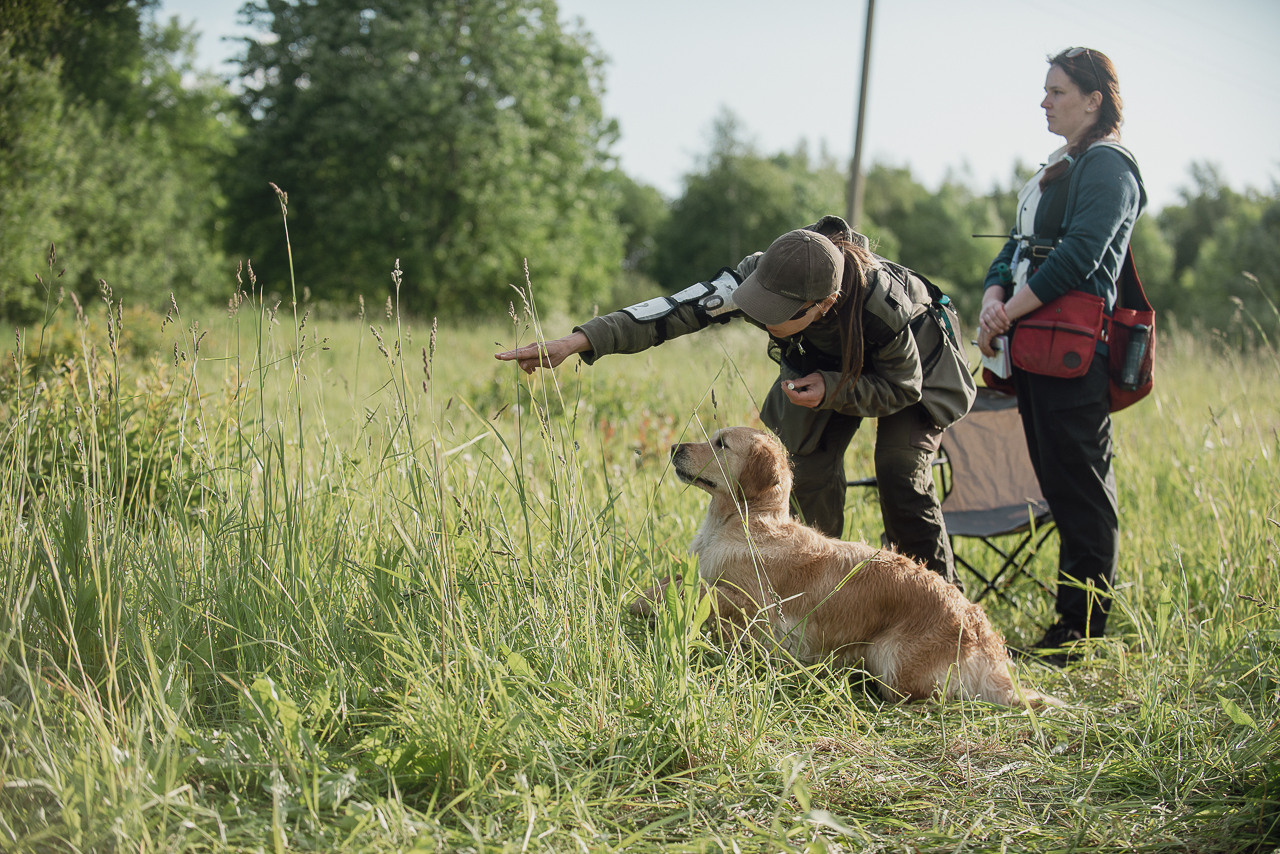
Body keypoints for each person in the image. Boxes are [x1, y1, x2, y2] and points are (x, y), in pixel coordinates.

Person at [496, 215, 976, 585]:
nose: (762, 317)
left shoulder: (882, 306)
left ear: (824, 304)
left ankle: (941, 609)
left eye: (777, 313)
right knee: (804, 469)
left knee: (900, 472)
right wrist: (578, 341)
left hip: (913, 373)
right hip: (821, 362)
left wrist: (833, 388)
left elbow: (903, 386)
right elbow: (673, 311)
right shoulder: (763, 277)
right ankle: (812, 593)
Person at [976, 48, 1147, 663]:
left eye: (1057, 91)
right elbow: (1016, 247)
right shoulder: (1060, 166)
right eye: (1045, 90)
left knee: (1081, 489)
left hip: (1073, 350)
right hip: (1035, 347)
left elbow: (1079, 256)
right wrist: (993, 295)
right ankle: (1069, 627)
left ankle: (1081, 634)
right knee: (1059, 484)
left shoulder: (1110, 166)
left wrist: (1009, 312)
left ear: (1094, 100)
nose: (1044, 102)